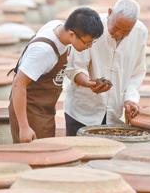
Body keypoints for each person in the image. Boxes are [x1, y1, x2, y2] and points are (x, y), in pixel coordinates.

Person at [9, 8, 104, 143]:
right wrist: (24, 127)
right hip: (29, 110)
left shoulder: (58, 27)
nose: (89, 47)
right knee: (36, 158)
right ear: (72, 34)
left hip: (44, 109)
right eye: (87, 42)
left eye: (92, 43)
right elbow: (18, 84)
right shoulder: (44, 51)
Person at [65, 0, 148, 136]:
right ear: (110, 13)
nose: (119, 34)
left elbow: (136, 73)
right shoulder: (90, 27)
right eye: (116, 28)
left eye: (126, 31)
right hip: (82, 114)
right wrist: (89, 83)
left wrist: (131, 99)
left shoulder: (140, 32)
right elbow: (75, 68)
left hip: (114, 116)